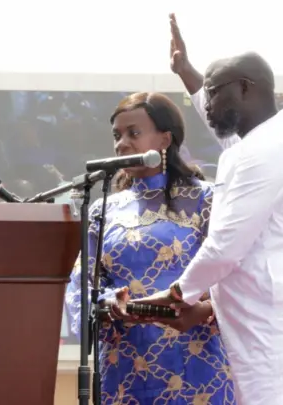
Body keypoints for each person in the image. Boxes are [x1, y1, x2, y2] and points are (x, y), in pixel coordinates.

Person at [130, 14, 283, 405]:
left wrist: (176, 295)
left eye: (214, 94)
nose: (206, 105)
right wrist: (186, 72)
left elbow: (224, 248)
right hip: (278, 321)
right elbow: (222, 130)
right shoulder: (273, 135)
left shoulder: (269, 149)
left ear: (246, 88)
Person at [65, 92, 236, 404]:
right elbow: (81, 285)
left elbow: (236, 274)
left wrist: (205, 310)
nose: (121, 145)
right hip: (125, 362)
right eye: (117, 136)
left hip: (197, 361)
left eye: (134, 133)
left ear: (165, 139)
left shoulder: (208, 200)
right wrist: (108, 303)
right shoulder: (102, 210)